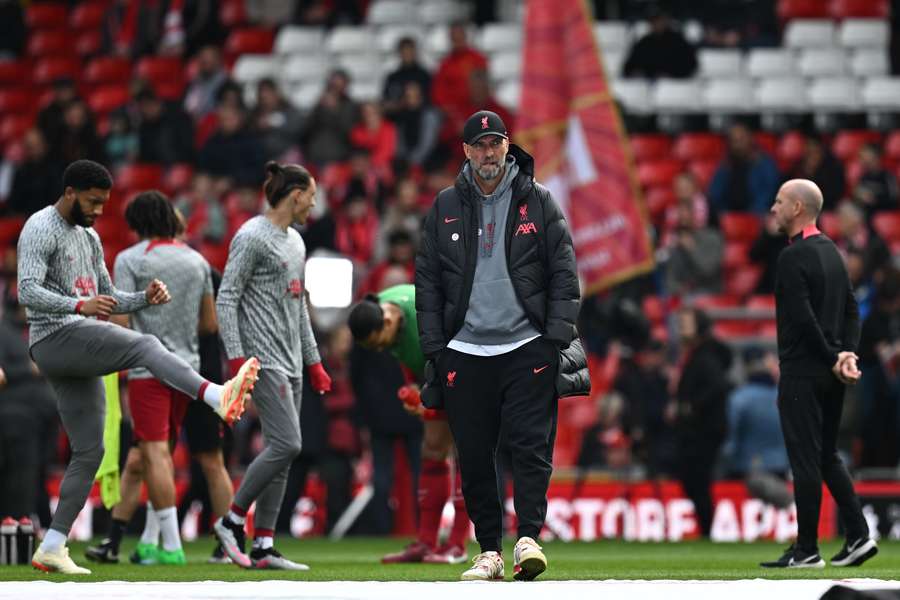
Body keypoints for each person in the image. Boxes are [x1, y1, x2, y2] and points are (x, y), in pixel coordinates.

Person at [17, 160, 260, 575]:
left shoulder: (90, 236)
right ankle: (216, 395)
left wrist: (144, 298)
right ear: (71, 192)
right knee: (146, 344)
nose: (98, 211)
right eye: (93, 202)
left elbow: (109, 297)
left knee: (90, 450)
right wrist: (79, 305)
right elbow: (26, 289)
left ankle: (52, 546)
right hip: (54, 338)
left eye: (104, 204)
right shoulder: (39, 227)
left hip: (78, 340)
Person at [415, 110, 590, 581]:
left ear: (508, 146)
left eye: (496, 143)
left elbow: (564, 274)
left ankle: (529, 537)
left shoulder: (539, 201)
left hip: (527, 345)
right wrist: (437, 348)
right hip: (465, 351)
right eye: (480, 145)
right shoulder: (445, 205)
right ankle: (489, 550)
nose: (489, 153)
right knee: (473, 455)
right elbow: (427, 279)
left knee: (532, 446)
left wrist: (553, 338)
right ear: (467, 151)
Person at [83, 192, 225, 566]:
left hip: (148, 371)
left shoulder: (130, 259)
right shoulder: (197, 261)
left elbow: (122, 321)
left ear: (136, 224)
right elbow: (211, 323)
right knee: (149, 458)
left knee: (155, 454)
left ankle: (172, 545)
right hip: (189, 370)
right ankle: (144, 541)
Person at [213, 161, 332, 570]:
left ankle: (263, 543)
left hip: (292, 360)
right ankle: (231, 521)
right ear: (295, 194)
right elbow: (226, 298)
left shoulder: (296, 242)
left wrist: (314, 362)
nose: (314, 204)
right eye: (311, 196)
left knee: (281, 452)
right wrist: (235, 356)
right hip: (262, 359)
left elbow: (298, 307)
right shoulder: (250, 236)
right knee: (288, 444)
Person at [760, 179, 877, 569]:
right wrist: (848, 356)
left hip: (803, 372)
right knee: (827, 455)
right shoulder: (832, 252)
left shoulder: (792, 257)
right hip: (832, 374)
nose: (773, 209)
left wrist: (832, 357)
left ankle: (807, 548)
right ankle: (859, 535)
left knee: (805, 459)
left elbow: (803, 318)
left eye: (778, 202)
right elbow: (851, 309)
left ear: (796, 208)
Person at [348, 285, 471, 565]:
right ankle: (426, 542)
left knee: (466, 454)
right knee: (432, 450)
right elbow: (405, 355)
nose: (380, 349)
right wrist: (417, 390)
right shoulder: (383, 310)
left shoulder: (424, 315)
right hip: (438, 372)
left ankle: (457, 544)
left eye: (379, 342)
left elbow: (456, 354)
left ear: (388, 322)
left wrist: (430, 394)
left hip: (464, 369)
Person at [672, 306, 732, 538]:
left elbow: (718, 386)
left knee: (697, 479)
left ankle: (707, 529)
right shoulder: (699, 353)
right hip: (700, 428)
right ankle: (706, 529)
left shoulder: (706, 356)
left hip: (704, 429)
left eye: (687, 322)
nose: (681, 327)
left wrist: (691, 406)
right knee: (694, 480)